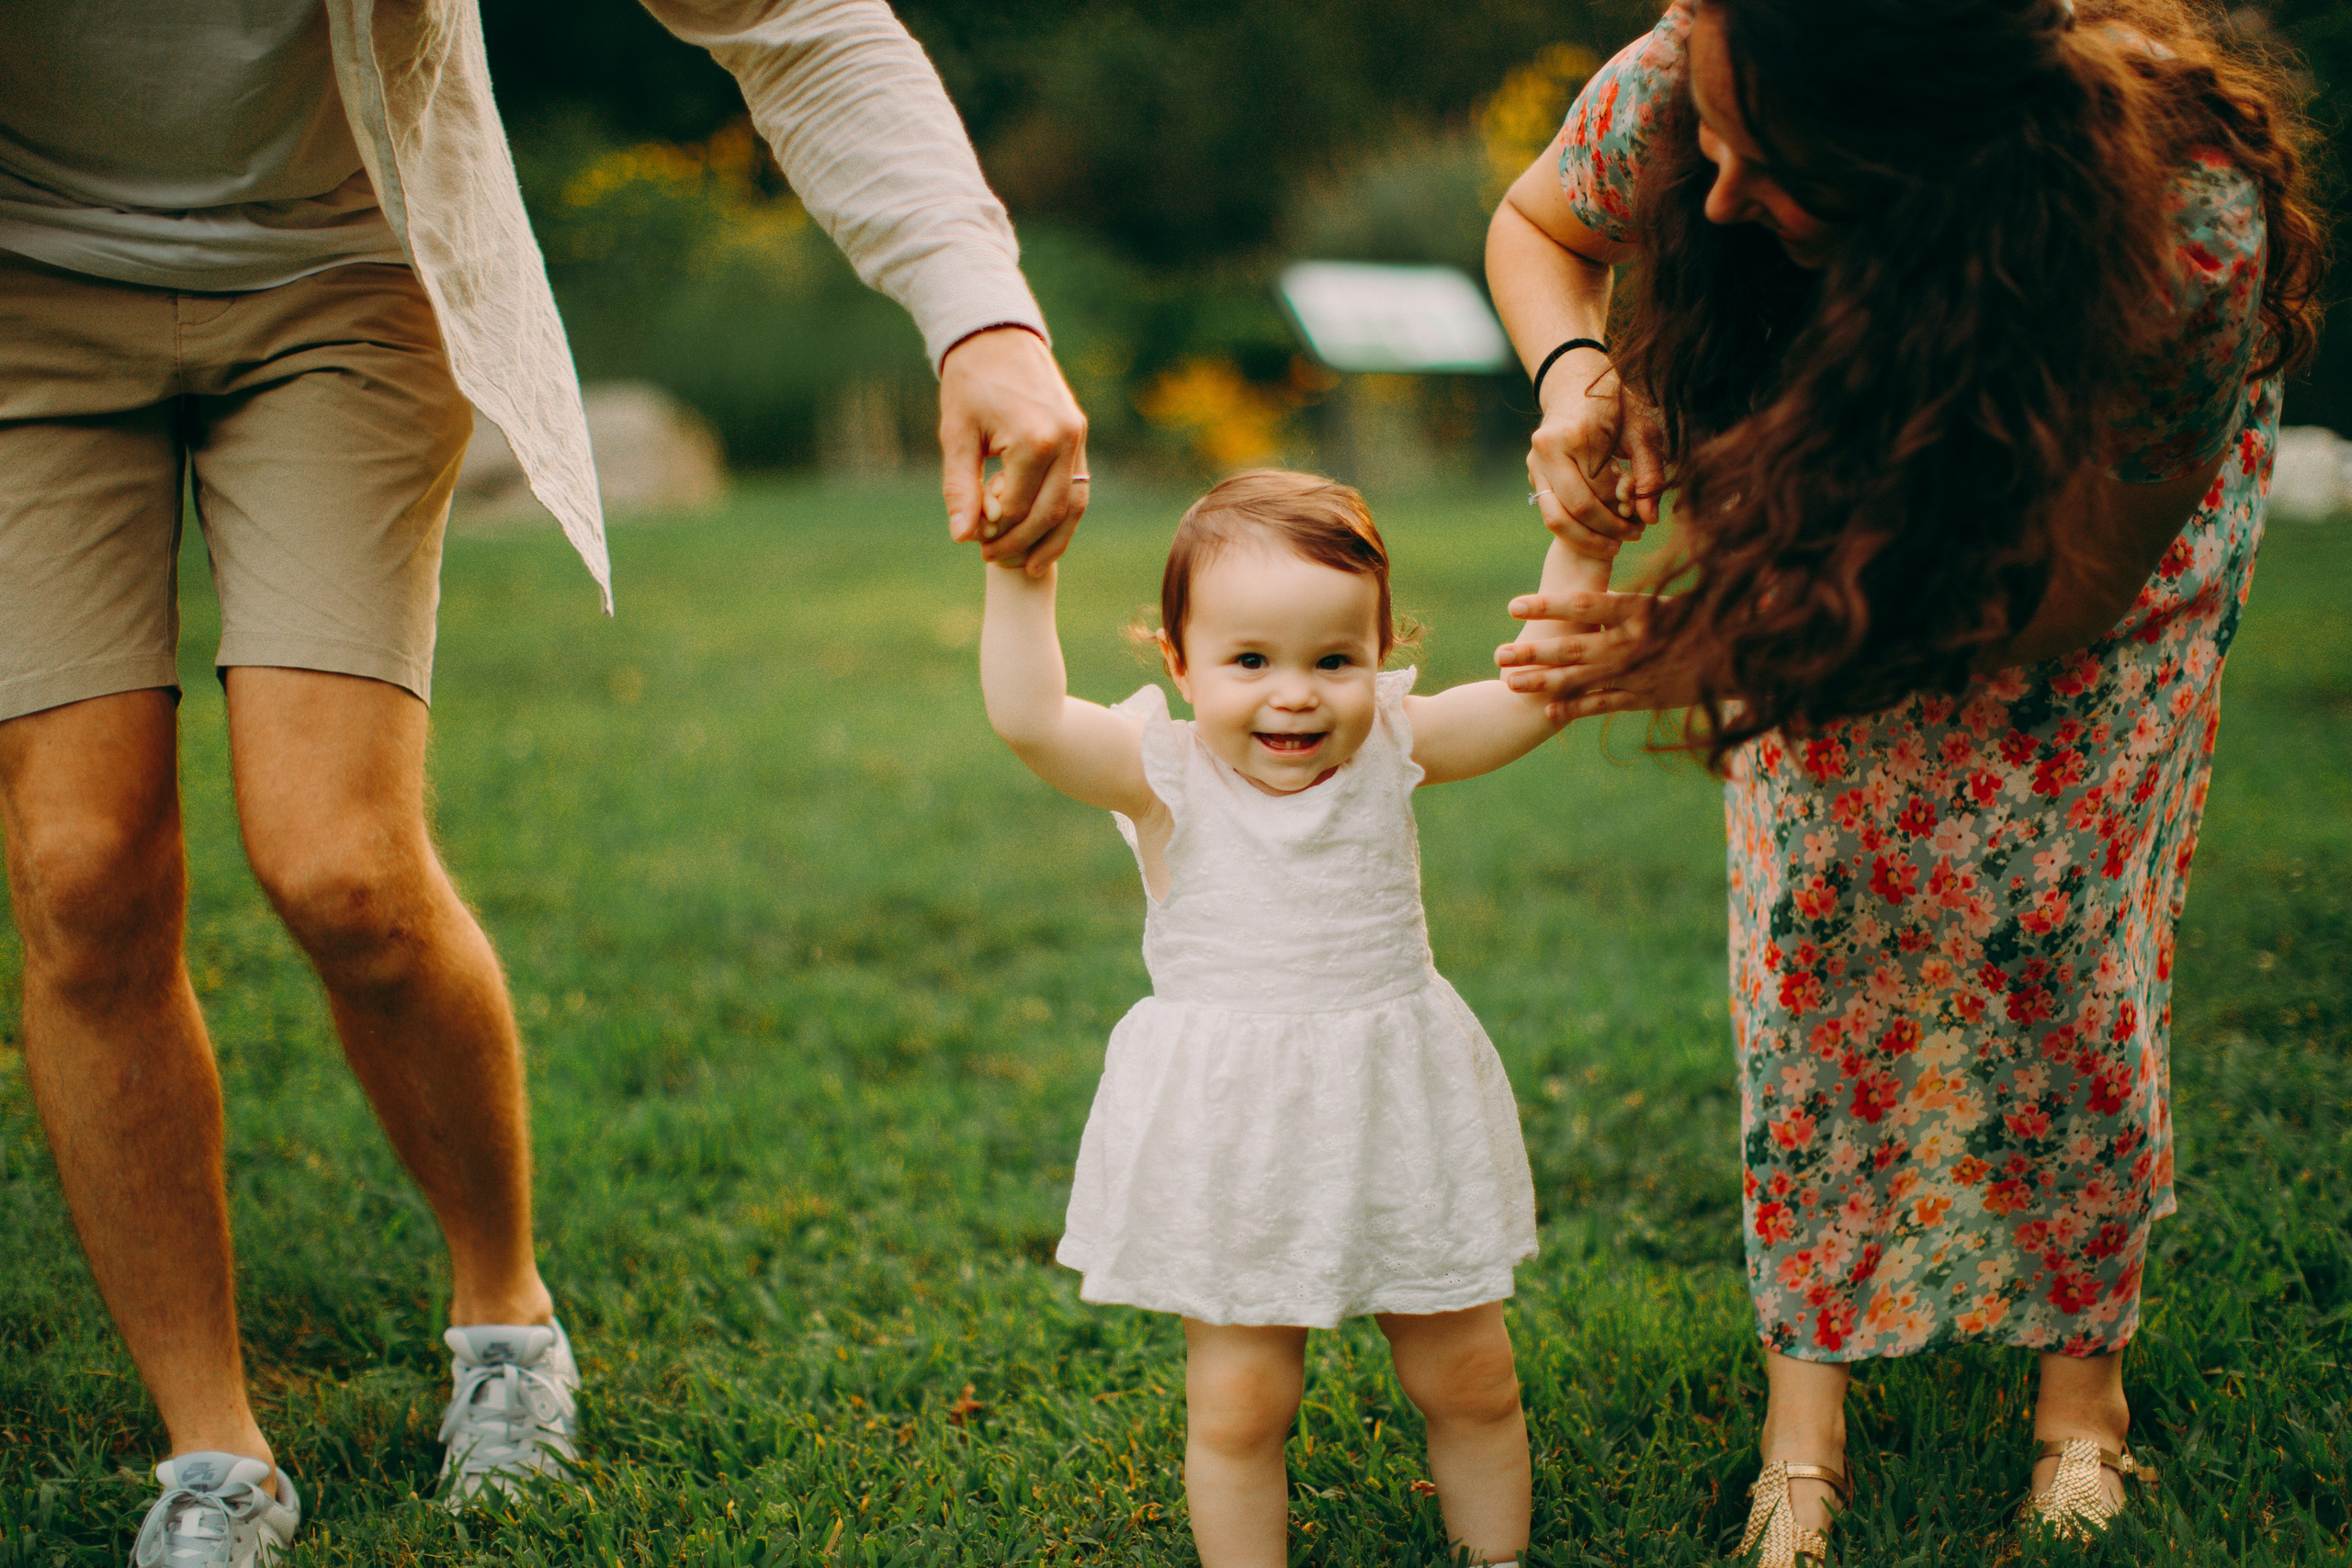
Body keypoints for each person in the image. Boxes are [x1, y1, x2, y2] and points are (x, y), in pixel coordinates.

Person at [0, 1, 1087, 1562]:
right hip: (23, 299)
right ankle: (213, 1455)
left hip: (343, 277)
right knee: (81, 869)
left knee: (342, 867)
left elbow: (795, 19)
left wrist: (981, 316)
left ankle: (505, 1315)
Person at [1483, 0, 2324, 1559]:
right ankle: (1804, 1425)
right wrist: (1579, 372)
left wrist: (1710, 649)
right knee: (1817, 936)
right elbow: (1540, 223)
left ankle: (2082, 1402)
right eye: (1714, 150)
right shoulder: (1722, 56)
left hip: (2083, 581)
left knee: (2058, 947)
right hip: (1822, 519)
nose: (1723, 195)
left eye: (1778, 170)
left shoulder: (2183, 211)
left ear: (1927, 159)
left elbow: (2068, 590)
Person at [976, 469, 1604, 1568]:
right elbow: (1028, 719)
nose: (1296, 696)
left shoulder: (1394, 742)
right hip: (1240, 1140)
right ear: (1179, 663)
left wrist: (1583, 543)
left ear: (1381, 655)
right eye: (1251, 661)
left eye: (1333, 660)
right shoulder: (1161, 775)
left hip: (1396, 1110)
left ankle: (1494, 1559)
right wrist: (1019, 577)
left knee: (1469, 1375)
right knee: (1240, 1403)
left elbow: (1540, 695)